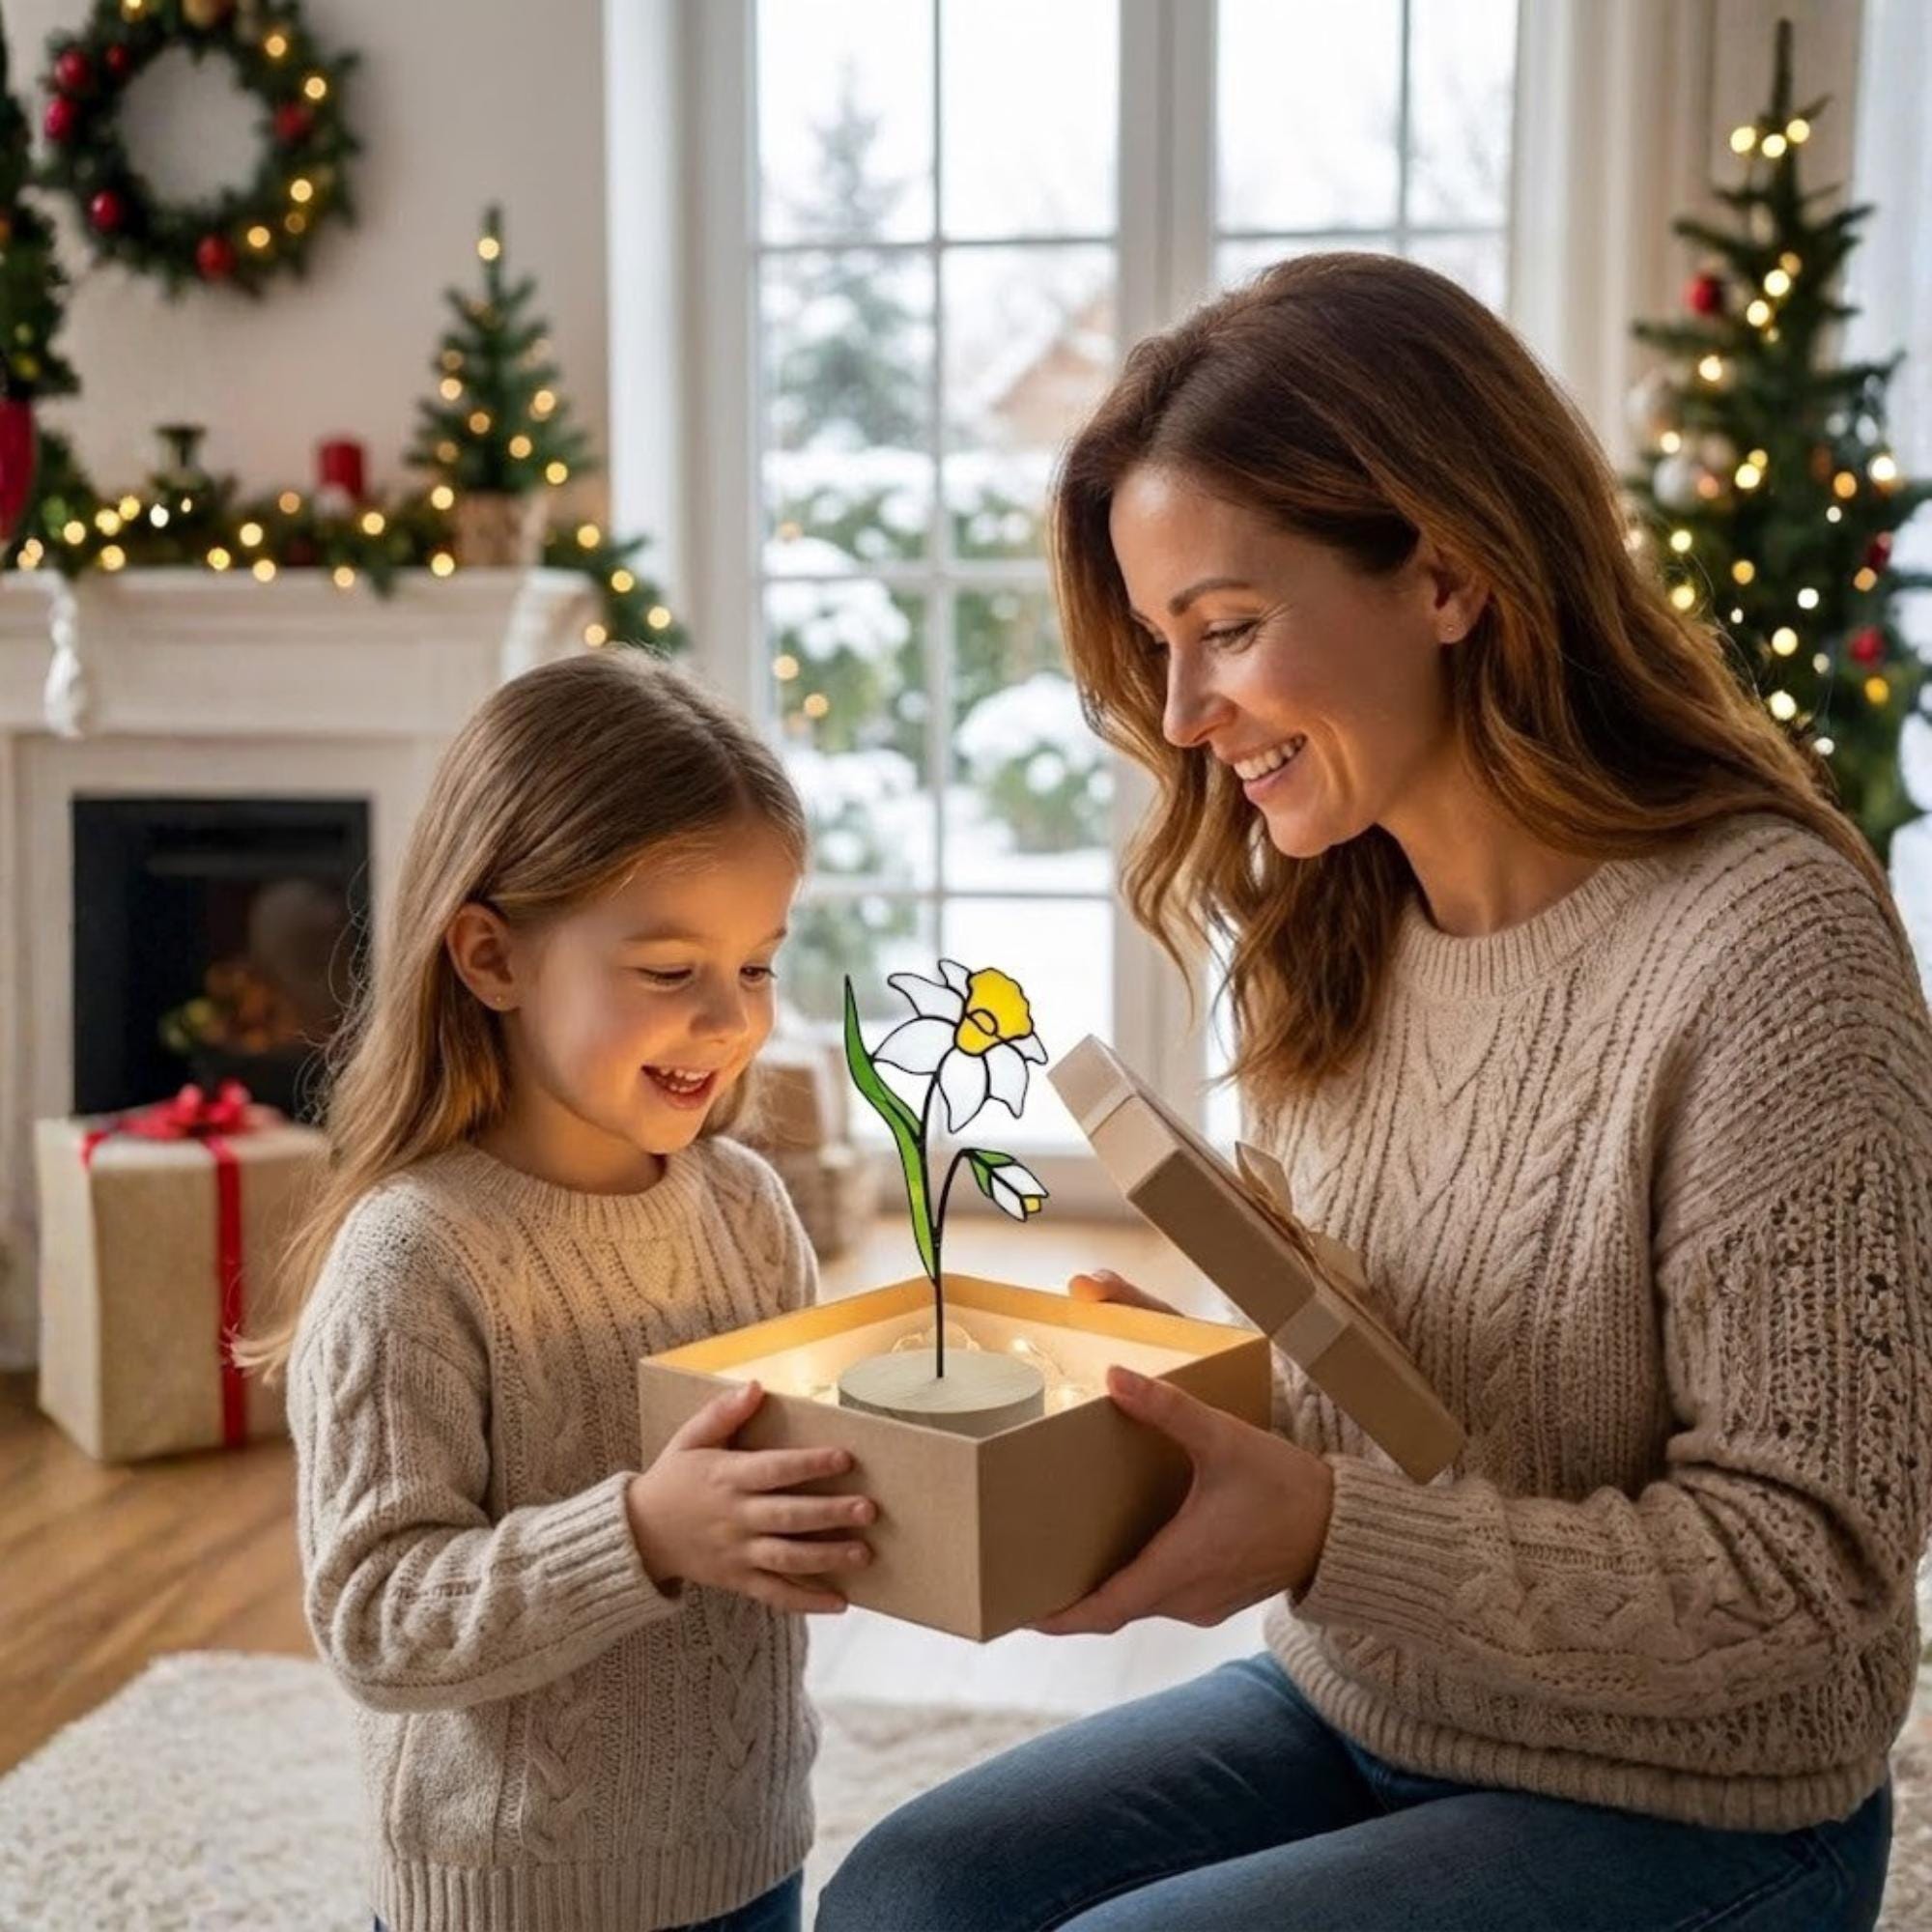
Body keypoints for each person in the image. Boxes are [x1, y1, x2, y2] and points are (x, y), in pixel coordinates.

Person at [817, 252, 1932, 1931]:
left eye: (1228, 629)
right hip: (1369, 1702)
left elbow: (1809, 1570)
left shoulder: (1770, 953)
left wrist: (1326, 1533)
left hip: (1702, 1806)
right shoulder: (1332, 926)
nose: (1184, 714)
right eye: (1160, 645)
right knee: (909, 1894)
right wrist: (1199, 1406)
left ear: (1449, 575)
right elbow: (1413, 1402)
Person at [238, 651, 876, 1932]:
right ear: (492, 958)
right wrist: (641, 1535)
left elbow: (793, 1487)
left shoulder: (750, 1212)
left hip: (750, 1856)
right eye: (670, 971)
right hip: (508, 1898)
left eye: (757, 967)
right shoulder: (412, 1257)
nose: (731, 1021)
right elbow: (375, 1619)